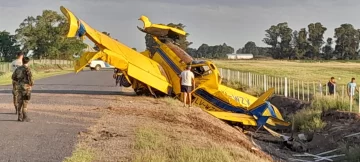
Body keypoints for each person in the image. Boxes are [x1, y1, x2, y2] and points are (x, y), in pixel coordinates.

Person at [12, 57, 33, 122]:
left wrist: (18, 82)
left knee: (19, 102)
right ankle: (25, 117)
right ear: (28, 62)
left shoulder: (18, 69)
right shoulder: (28, 69)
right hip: (26, 87)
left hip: (19, 87)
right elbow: (31, 80)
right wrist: (31, 85)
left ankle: (19, 116)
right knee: (25, 102)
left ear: (22, 61)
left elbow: (13, 77)